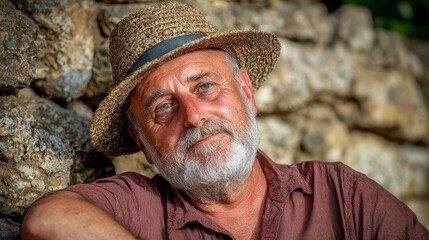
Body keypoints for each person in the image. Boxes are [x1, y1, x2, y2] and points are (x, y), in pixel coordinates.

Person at [20, 1, 428, 240]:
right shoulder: (137, 208)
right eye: (164, 107)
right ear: (142, 143)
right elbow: (45, 219)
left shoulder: (338, 195)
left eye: (205, 87)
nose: (195, 117)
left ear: (246, 93)